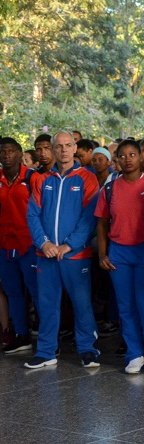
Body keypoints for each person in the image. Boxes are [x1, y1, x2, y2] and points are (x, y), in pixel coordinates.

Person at [25, 132, 102, 369]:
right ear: (53, 150)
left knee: (82, 303)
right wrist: (45, 243)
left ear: (75, 147)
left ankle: (88, 349)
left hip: (75, 255)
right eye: (59, 146)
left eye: (68, 145)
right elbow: (33, 215)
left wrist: (69, 245)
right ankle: (46, 351)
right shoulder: (41, 179)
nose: (64, 150)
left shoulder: (87, 179)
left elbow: (90, 218)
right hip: (46, 255)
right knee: (47, 304)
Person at [95, 140, 144, 374]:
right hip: (119, 252)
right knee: (125, 306)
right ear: (116, 160)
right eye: (122, 156)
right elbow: (101, 223)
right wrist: (102, 253)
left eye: (132, 155)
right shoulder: (109, 188)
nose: (127, 159)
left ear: (140, 158)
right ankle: (134, 353)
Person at [0, 137, 39, 354]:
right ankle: (21, 335)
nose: (6, 155)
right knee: (12, 291)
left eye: (11, 151)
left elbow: (43, 209)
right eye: (2, 152)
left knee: (36, 291)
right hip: (4, 245)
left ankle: (46, 338)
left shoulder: (32, 177)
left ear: (19, 153)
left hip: (30, 245)